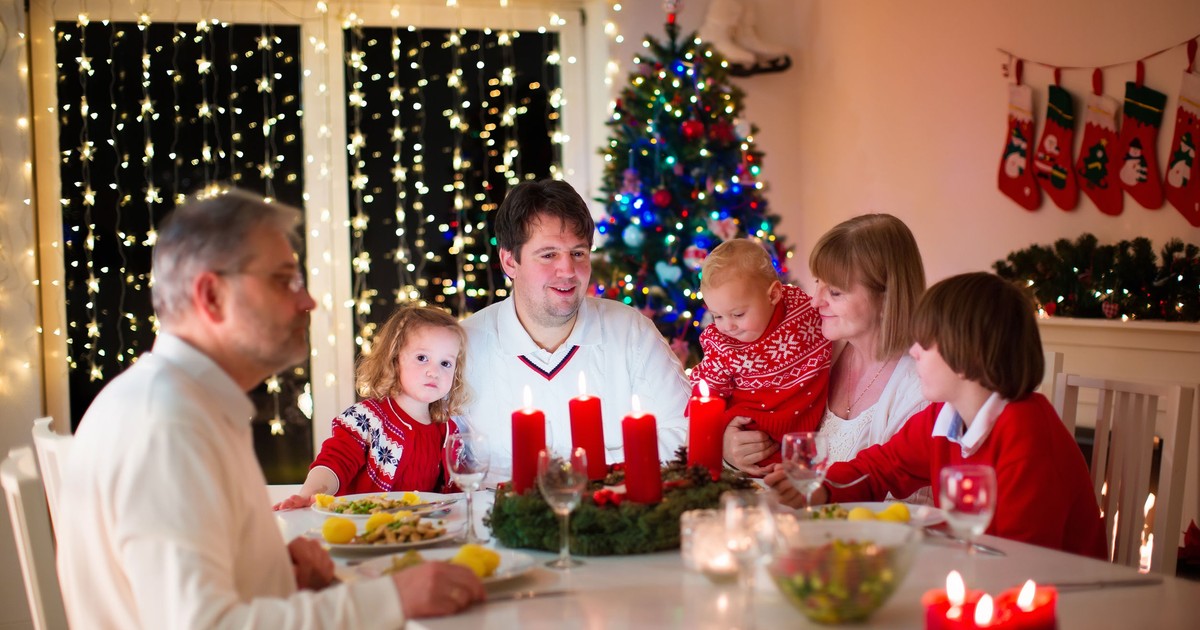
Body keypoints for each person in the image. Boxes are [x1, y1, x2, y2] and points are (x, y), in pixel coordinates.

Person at [56, 190, 484, 628]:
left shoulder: (184, 405)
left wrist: (274, 570)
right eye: (284, 281)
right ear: (212, 296)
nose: (308, 301)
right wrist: (392, 599)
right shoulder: (165, 425)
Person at [768, 272, 1106, 558]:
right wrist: (822, 489)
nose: (913, 351)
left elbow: (1022, 559)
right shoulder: (945, 417)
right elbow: (881, 469)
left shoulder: (1027, 434)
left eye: (925, 343)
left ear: (968, 355)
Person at [461, 179, 690, 482]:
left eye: (578, 253)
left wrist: (591, 467)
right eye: (549, 255)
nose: (568, 270)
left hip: (615, 505)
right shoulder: (463, 347)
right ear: (509, 261)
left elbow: (685, 433)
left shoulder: (631, 332)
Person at [723, 214, 929, 476]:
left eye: (835, 292)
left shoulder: (920, 388)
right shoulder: (815, 351)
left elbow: (911, 498)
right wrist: (730, 448)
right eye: (817, 282)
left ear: (887, 296)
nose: (815, 301)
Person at [274, 306, 467, 510]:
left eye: (445, 363)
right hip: (363, 524)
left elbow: (456, 492)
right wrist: (310, 494)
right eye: (422, 358)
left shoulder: (448, 431)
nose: (434, 371)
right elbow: (335, 462)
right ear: (394, 360)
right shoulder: (366, 418)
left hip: (421, 526)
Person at [689, 238, 831, 469]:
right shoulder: (721, 345)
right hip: (753, 435)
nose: (727, 326)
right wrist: (717, 437)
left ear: (773, 295)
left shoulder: (803, 311)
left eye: (738, 314)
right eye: (717, 316)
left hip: (804, 433)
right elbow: (706, 396)